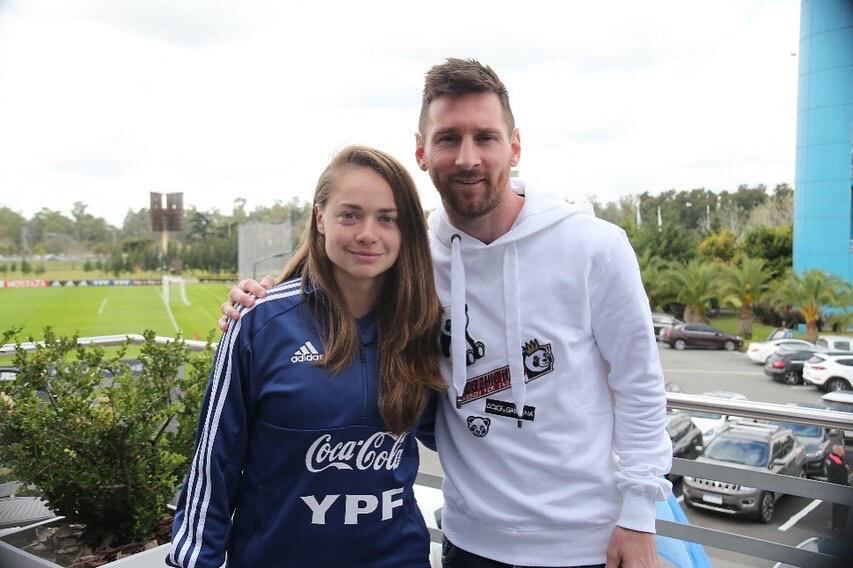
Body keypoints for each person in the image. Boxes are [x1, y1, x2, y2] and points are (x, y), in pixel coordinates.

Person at [221, 59, 672, 568]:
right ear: (421, 151)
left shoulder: (596, 248)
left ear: (515, 146)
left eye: (486, 137)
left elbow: (639, 385)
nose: (467, 158)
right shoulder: (413, 257)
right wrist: (261, 298)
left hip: (588, 545)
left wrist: (639, 517)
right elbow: (337, 288)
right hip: (469, 543)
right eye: (448, 138)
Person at [168, 146, 446, 568]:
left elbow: (451, 433)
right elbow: (215, 464)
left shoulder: (420, 325)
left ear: (406, 228)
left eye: (387, 218)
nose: (368, 233)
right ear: (320, 219)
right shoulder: (260, 323)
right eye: (349, 215)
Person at [825, 444, 849, 534]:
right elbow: (843, 481)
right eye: (843, 450)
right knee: (843, 508)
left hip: (832, 486)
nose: (844, 452)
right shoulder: (839, 465)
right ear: (838, 451)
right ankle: (840, 528)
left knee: (835, 507)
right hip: (839, 490)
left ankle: (834, 525)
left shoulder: (829, 458)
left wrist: (844, 465)